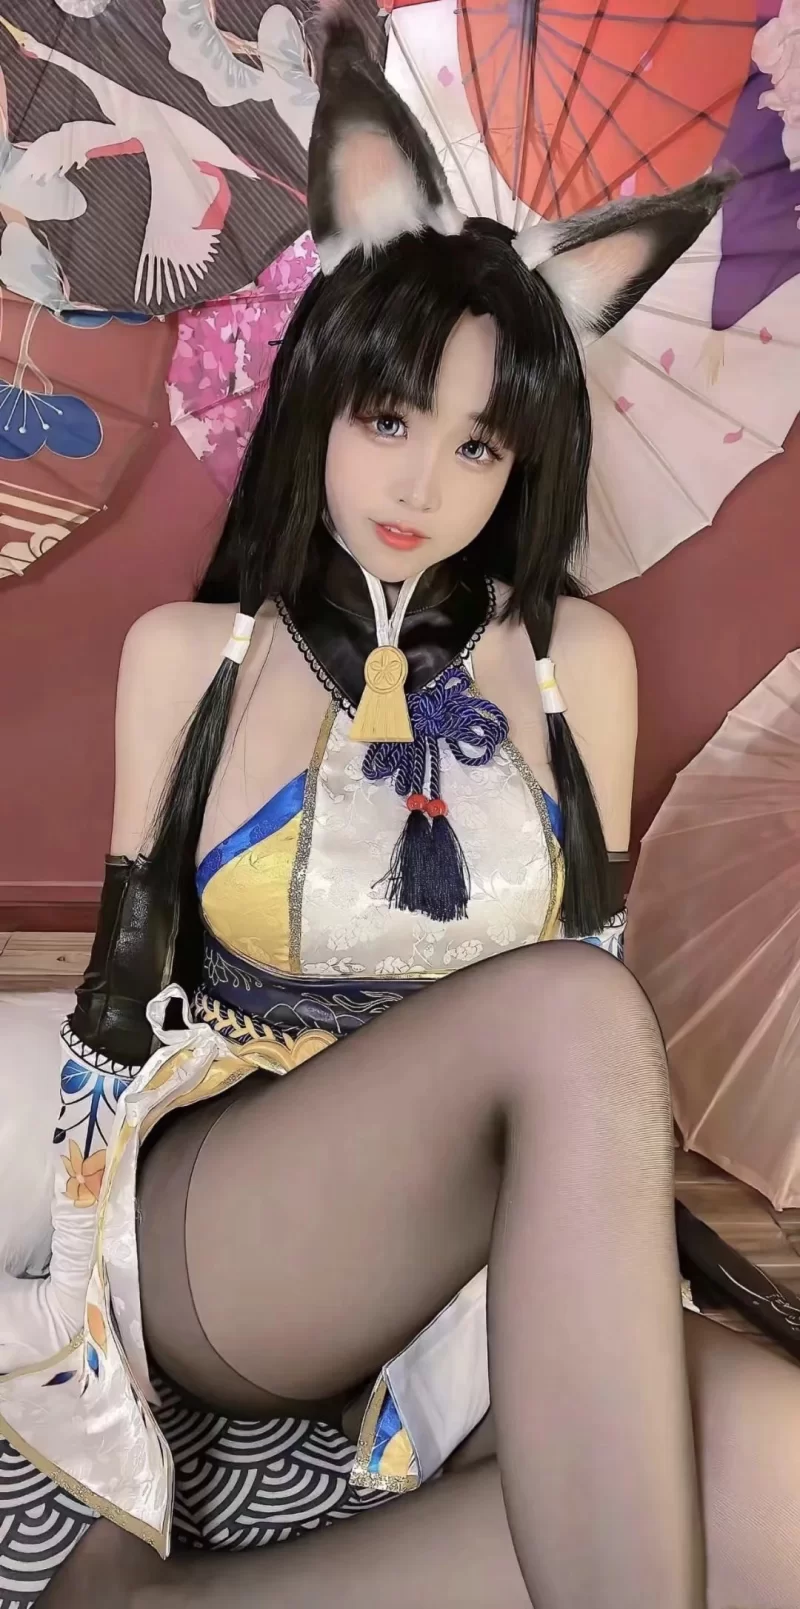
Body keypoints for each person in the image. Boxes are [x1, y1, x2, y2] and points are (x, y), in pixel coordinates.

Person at [2, 13, 800, 1608]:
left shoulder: (578, 667)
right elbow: (111, 1012)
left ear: (524, 461)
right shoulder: (194, 657)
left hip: (483, 1239)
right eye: (389, 418)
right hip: (240, 1224)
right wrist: (95, 1405)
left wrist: (627, 1278)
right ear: (322, 398)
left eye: (477, 440)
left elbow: (594, 1050)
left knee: (779, 1480)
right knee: (574, 1011)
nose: (422, 483)